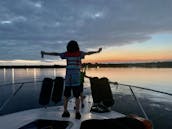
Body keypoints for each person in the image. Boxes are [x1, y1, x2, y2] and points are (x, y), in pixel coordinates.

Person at [41, 40, 102, 119]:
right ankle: (77, 112)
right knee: (77, 97)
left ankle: (65, 111)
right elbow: (89, 53)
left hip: (68, 79)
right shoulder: (80, 53)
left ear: (68, 47)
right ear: (77, 46)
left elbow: (56, 53)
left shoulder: (66, 54)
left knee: (66, 96)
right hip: (76, 79)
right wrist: (97, 51)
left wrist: (45, 53)